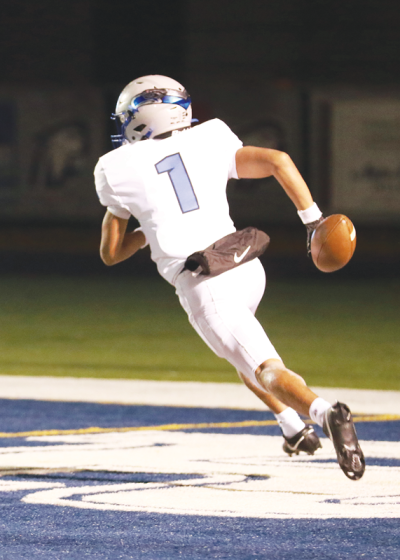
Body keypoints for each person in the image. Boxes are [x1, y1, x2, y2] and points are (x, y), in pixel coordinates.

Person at [94, 75, 365, 480]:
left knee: (265, 367)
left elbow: (111, 254)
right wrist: (314, 222)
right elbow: (278, 161)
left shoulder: (114, 168)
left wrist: (147, 227)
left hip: (205, 282)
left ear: (141, 116)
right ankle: (292, 427)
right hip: (246, 265)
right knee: (242, 353)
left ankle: (325, 412)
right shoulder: (212, 135)